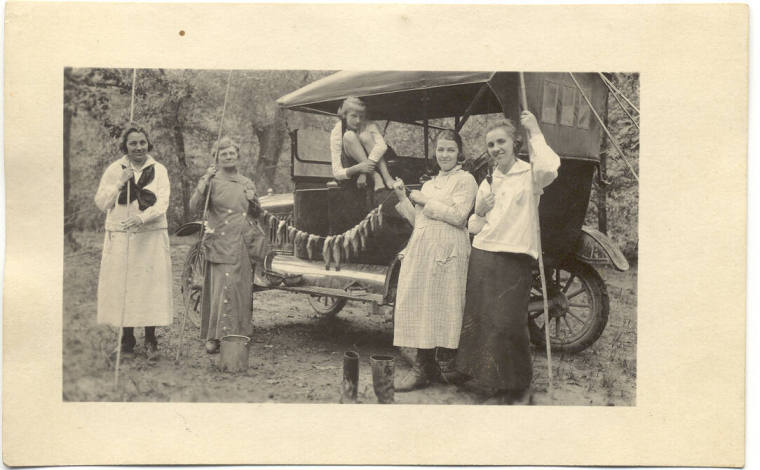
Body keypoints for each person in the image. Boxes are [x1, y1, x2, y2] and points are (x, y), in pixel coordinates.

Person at [455, 111, 560, 404]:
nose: (495, 149)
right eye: (490, 145)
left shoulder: (530, 174)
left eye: (501, 142)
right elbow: (474, 227)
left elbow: (551, 168)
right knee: (481, 320)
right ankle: (487, 380)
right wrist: (480, 209)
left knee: (508, 324)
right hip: (483, 254)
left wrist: (535, 129)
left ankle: (517, 386)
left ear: (514, 143)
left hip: (514, 256)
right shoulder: (488, 180)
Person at [390, 130, 478, 391]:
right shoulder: (429, 184)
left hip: (449, 251)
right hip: (423, 249)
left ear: (459, 152)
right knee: (420, 304)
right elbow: (418, 221)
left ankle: (445, 366)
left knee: (445, 305)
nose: (445, 155)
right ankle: (422, 367)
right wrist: (402, 197)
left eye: (450, 149)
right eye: (441, 149)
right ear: (435, 153)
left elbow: (459, 216)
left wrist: (425, 200)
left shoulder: (466, 180)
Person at [94, 123, 173, 360]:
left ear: (148, 143)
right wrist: (120, 182)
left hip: (150, 236)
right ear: (125, 146)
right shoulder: (114, 169)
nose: (138, 147)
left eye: (142, 142)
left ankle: (150, 337)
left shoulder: (159, 170)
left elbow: (163, 202)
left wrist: (142, 218)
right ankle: (127, 339)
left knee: (150, 285)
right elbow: (101, 203)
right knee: (123, 285)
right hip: (121, 237)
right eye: (133, 143)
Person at [189, 137, 268, 354]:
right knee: (222, 287)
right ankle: (214, 336)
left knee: (240, 289)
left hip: (242, 242)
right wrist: (204, 181)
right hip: (220, 241)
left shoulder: (246, 182)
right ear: (217, 157)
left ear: (238, 156)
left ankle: (238, 334)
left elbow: (257, 214)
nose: (228, 156)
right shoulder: (212, 181)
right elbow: (194, 206)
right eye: (223, 154)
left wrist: (254, 201)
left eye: (231, 153)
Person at [329, 96, 395, 191]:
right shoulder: (337, 131)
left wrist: (364, 171)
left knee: (365, 136)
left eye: (361, 116)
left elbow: (382, 146)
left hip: (376, 167)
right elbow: (337, 172)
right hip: (352, 174)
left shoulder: (368, 124)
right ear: (344, 115)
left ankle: (387, 177)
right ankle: (375, 176)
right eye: (353, 116)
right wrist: (359, 168)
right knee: (349, 136)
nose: (358, 121)